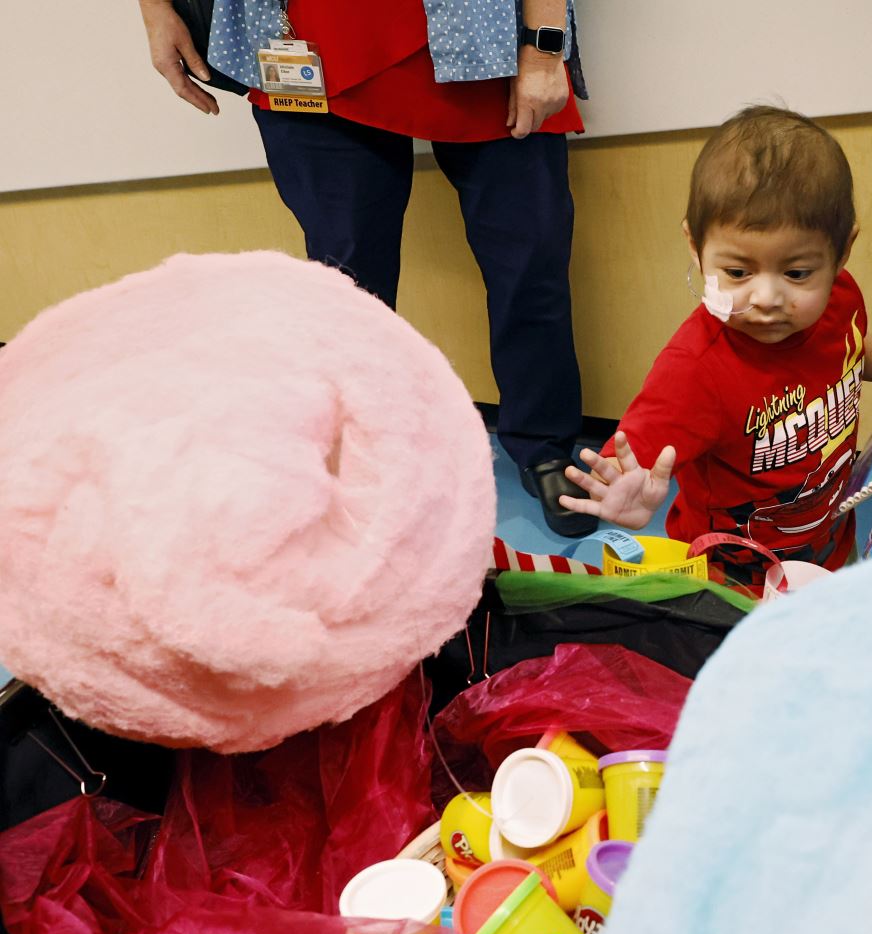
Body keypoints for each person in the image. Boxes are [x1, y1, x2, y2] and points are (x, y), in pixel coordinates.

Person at [137, 0, 599, 538]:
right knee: (347, 283)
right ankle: (373, 462)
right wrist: (154, 10)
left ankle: (545, 446)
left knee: (530, 259)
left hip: (487, 28)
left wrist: (543, 47)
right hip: (305, 31)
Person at [559, 107, 872, 590]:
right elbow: (632, 457)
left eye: (797, 273)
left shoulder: (841, 298)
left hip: (826, 542)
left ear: (842, 251)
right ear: (695, 247)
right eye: (738, 273)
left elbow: (851, 348)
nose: (767, 299)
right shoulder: (696, 367)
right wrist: (623, 490)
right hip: (732, 577)